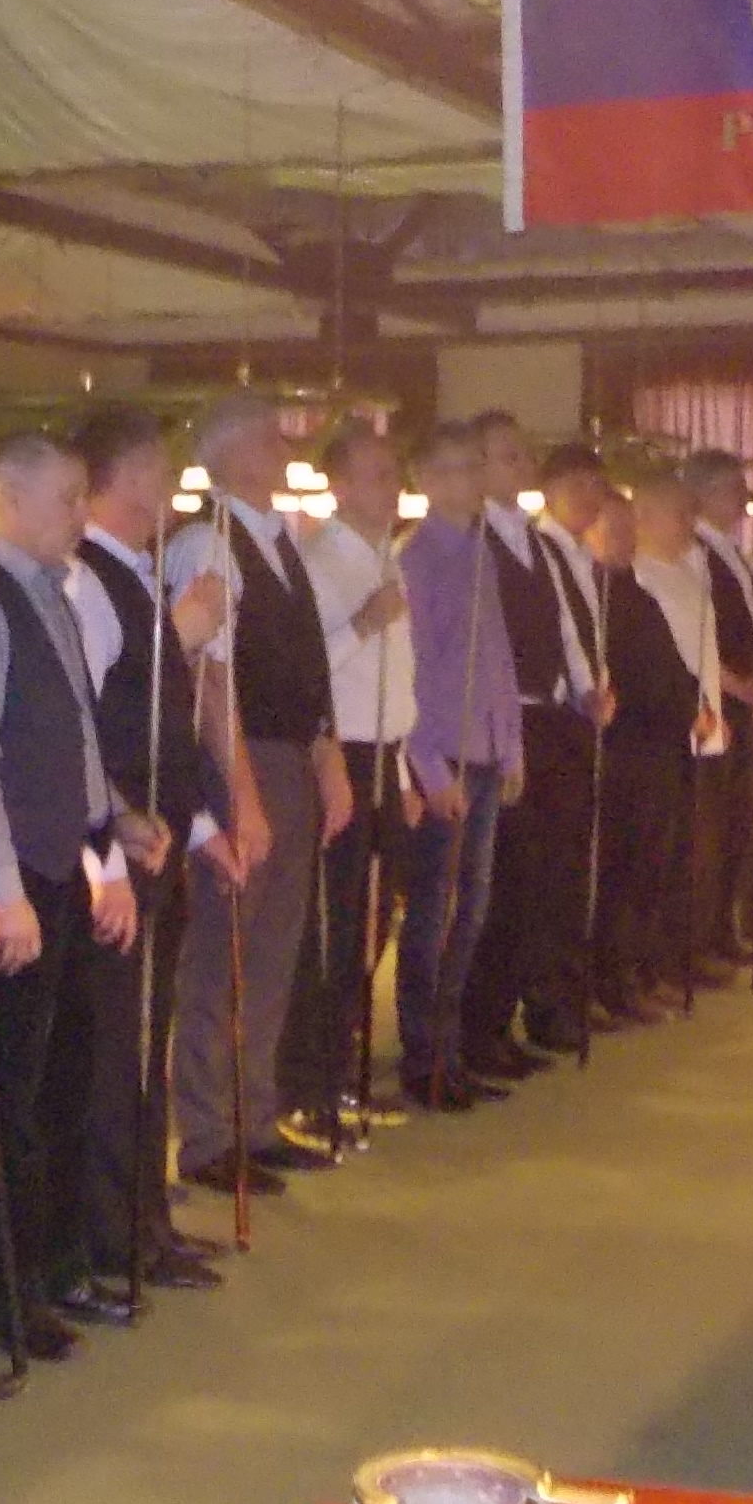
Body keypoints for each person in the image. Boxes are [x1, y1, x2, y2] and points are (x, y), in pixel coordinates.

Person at [0, 430, 141, 1353]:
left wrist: (113, 829)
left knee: (64, 1085)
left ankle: (56, 1266)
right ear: (9, 501)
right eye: (66, 498)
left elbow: (80, 738)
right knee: (5, 1106)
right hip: (17, 885)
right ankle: (4, 1294)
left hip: (67, 868)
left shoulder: (54, 593)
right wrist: (4, 888)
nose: (79, 514)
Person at [61, 406, 231, 1301]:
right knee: (115, 1051)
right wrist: (182, 631)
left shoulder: (135, 576)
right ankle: (111, 1231)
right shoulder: (86, 581)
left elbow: (167, 725)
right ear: (123, 480)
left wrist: (202, 827)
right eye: (159, 471)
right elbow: (86, 728)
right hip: (115, 847)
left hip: (157, 840)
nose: (171, 487)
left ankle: (145, 1220)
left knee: (145, 1041)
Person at [164, 393, 350, 1197]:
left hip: (291, 757)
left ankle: (256, 1118)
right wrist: (240, 792)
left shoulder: (280, 539)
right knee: (222, 953)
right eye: (273, 439)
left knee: (275, 950)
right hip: (238, 759)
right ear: (234, 453)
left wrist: (328, 758)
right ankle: (208, 1133)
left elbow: (306, 667)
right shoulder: (206, 541)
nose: (285, 451)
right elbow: (210, 679)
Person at [276, 418, 409, 1145]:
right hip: (340, 757)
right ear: (340, 485)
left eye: (395, 473)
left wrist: (407, 769)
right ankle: (305, 1084)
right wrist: (362, 623)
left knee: (370, 923)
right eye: (379, 475)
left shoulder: (389, 558)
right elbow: (304, 672)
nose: (394, 487)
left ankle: (342, 1069)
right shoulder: (319, 562)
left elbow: (402, 680)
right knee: (330, 928)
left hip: (385, 753)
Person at [459, 417, 604, 1075]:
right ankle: (478, 1027)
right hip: (499, 724)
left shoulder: (538, 544)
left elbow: (564, 627)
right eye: (507, 456)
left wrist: (586, 687)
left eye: (523, 454)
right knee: (503, 884)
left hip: (551, 721)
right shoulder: (472, 538)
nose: (521, 465)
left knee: (542, 881)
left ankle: (520, 1012)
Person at [392, 423, 520, 1112]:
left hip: (487, 751)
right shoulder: (416, 560)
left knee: (471, 911)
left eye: (476, 466)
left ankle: (452, 1049)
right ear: (428, 480)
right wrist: (431, 771)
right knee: (435, 915)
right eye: (460, 468)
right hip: (445, 757)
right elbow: (409, 675)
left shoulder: (481, 552)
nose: (475, 480)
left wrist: (512, 746)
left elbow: (498, 659)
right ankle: (425, 1060)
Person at [585, 492, 690, 1025]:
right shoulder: (592, 597)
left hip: (657, 751)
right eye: (615, 528)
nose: (627, 539)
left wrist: (690, 706)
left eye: (630, 528)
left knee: (649, 870)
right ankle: (611, 982)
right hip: (621, 755)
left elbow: (668, 665)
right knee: (617, 878)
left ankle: (639, 972)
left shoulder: (638, 595)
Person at [630, 476, 731, 1005]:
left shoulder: (689, 573)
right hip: (668, 733)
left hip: (706, 730)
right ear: (645, 516)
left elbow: (705, 654)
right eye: (678, 514)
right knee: (663, 858)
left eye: (691, 514)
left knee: (698, 853)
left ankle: (689, 950)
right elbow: (659, 664)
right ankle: (656, 963)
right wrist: (689, 708)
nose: (689, 524)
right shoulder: (639, 576)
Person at [684, 447, 753, 973]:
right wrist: (737, 686)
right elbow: (696, 636)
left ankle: (724, 930)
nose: (744, 500)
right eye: (734, 490)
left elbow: (752, 629)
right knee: (712, 830)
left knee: (738, 825)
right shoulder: (696, 552)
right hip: (719, 701)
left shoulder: (734, 554)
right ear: (704, 493)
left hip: (744, 702)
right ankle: (701, 939)